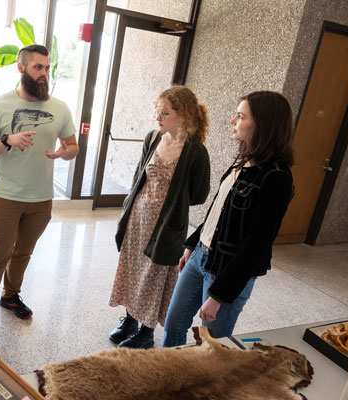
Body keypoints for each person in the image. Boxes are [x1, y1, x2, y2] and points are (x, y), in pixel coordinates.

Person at [162, 90, 295, 347]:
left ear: (263, 125)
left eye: (240, 116)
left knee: (213, 347)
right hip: (202, 254)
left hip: (227, 271)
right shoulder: (243, 161)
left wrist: (219, 296)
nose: (233, 121)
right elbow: (218, 210)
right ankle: (172, 379)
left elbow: (256, 246)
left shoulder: (276, 177)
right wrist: (193, 244)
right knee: (174, 324)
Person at [0, 44, 79, 320]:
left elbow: (72, 146)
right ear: (21, 68)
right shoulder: (0, 106)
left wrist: (64, 152)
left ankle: (10, 296)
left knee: (22, 253)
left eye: (46, 68)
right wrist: (7, 141)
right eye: (38, 67)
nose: (44, 73)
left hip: (42, 199)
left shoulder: (60, 108)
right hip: (8, 197)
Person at [108, 86, 211, 349]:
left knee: (153, 276)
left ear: (184, 115)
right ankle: (130, 319)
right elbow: (138, 178)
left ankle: (146, 330)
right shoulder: (153, 138)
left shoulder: (196, 151)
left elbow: (199, 194)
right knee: (133, 269)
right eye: (158, 111)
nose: (158, 117)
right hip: (138, 219)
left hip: (166, 226)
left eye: (165, 112)